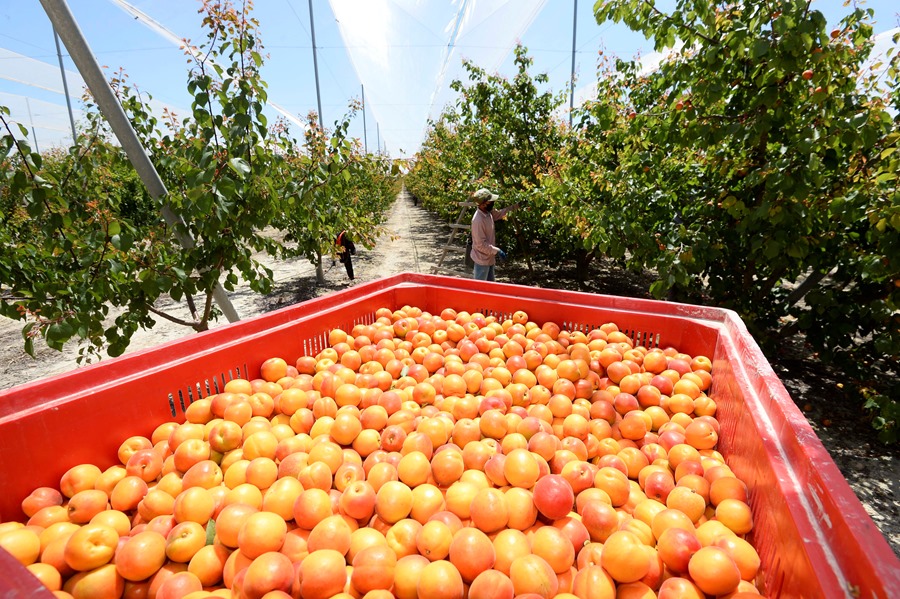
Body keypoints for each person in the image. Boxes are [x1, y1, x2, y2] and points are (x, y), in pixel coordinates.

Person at [469, 188, 519, 281]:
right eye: (490, 201)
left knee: (490, 287)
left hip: (489, 258)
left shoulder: (488, 213)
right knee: (481, 289)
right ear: (483, 204)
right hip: (482, 260)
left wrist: (516, 206)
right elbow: (480, 245)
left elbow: (500, 213)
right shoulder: (478, 220)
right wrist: (497, 251)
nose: (492, 203)